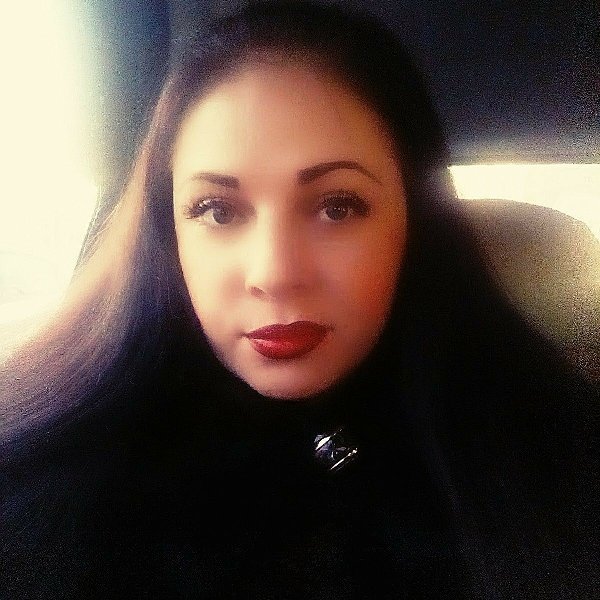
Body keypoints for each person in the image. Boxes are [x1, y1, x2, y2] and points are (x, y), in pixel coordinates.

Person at [1, 2, 597, 598]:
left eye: (338, 206)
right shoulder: (51, 491)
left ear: (414, 221)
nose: (275, 274)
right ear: (168, 234)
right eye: (218, 211)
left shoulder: (552, 455)